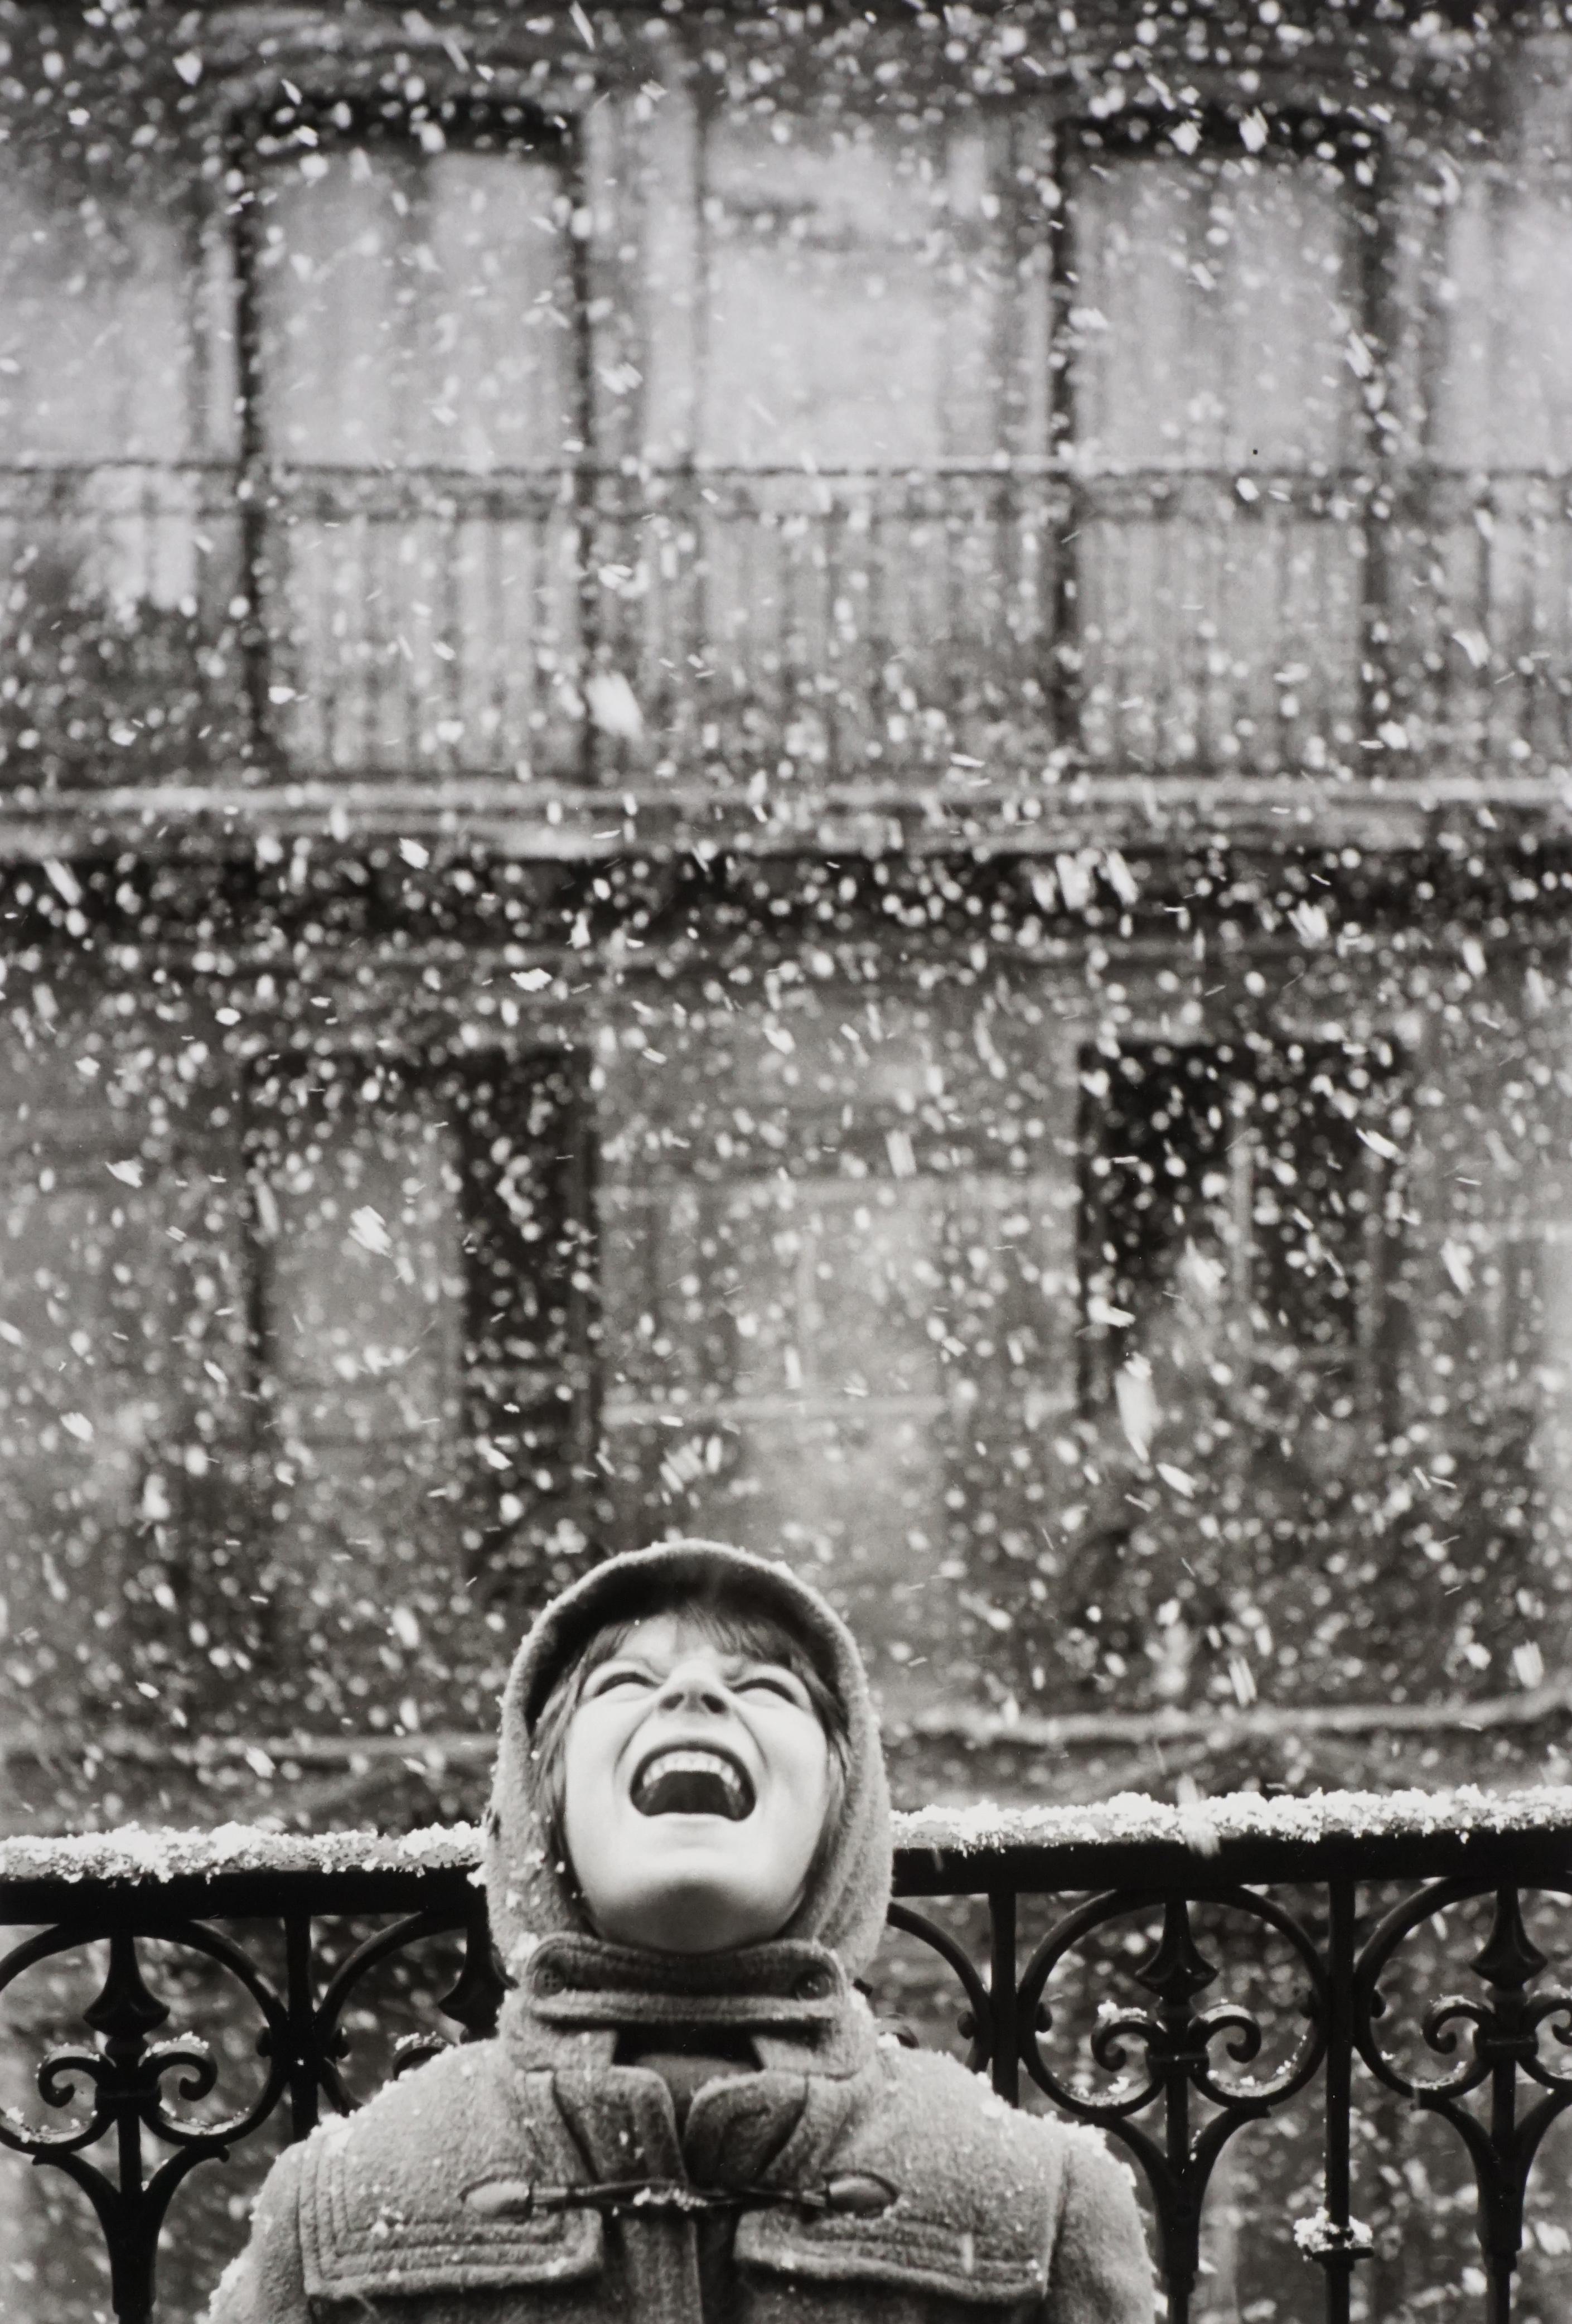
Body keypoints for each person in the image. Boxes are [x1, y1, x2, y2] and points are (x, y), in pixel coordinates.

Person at [206, 1538, 1154, 2322]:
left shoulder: (1042, 2205)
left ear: (843, 1815)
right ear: (544, 1805)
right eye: (625, 1682)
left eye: (770, 1689)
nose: (694, 1693)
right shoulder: (334, 2210)